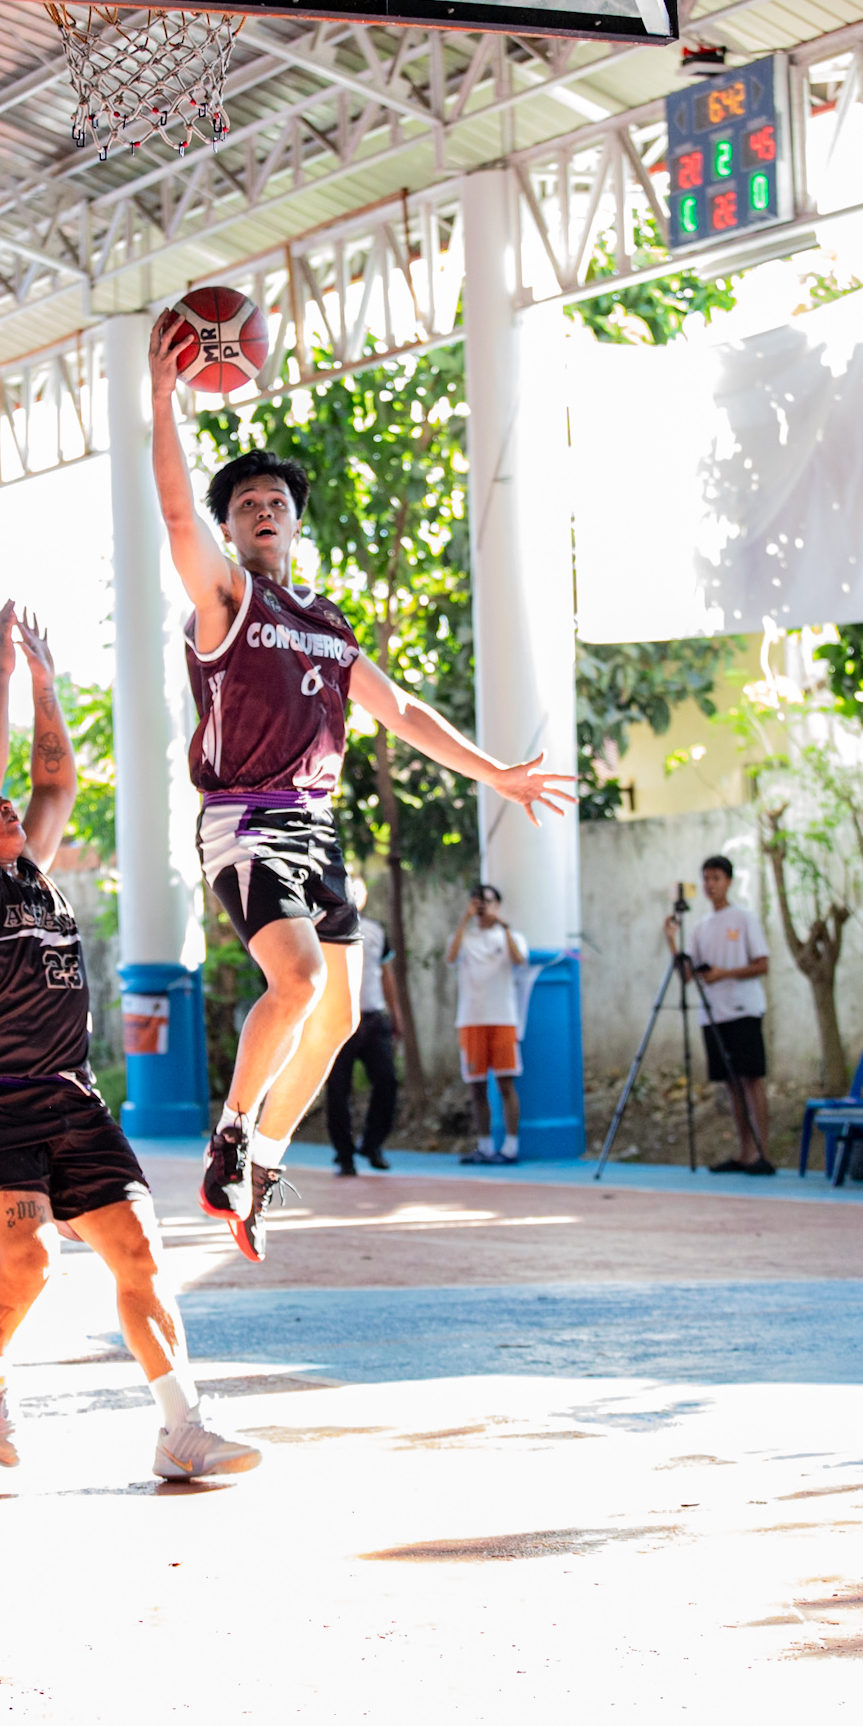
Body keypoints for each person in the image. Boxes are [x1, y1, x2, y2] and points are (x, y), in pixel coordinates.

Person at [147, 312, 574, 1263]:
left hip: (316, 828)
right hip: (246, 821)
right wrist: (160, 395)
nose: (263, 510)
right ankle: (226, 1141)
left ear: (296, 523)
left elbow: (406, 711)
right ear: (228, 530)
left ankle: (260, 1160)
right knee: (296, 981)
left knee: (337, 1017)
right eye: (246, 503)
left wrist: (494, 770)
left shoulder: (327, 623)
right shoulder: (226, 599)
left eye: (277, 503)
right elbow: (175, 514)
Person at [0, 600, 260, 1480]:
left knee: (139, 1250)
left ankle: (182, 1428)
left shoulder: (31, 870)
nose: (13, 812)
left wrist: (44, 685)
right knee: (28, 1267)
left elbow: (56, 779)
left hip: (71, 1093)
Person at [665, 853, 773, 1176]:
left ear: (728, 881)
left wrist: (724, 973)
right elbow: (687, 975)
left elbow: (762, 963)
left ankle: (762, 1153)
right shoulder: (700, 928)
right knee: (731, 1084)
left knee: (751, 1079)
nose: (710, 885)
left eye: (716, 878)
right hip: (714, 1014)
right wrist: (672, 942)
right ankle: (744, 1151)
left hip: (743, 1008)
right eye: (706, 878)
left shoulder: (744, 919)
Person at [446, 884, 527, 1164]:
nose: (484, 907)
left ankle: (511, 1147)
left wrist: (504, 928)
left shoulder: (510, 936)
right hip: (471, 1020)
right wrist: (464, 919)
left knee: (506, 1084)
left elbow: (520, 961)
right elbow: (451, 957)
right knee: (477, 1087)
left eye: (489, 902)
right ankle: (485, 1146)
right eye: (478, 902)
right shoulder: (465, 937)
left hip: (502, 1018)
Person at [324, 876, 399, 1176]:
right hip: (336, 1020)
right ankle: (344, 1155)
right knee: (338, 1090)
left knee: (387, 1081)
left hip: (372, 1017)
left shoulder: (377, 931)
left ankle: (373, 1143)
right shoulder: (324, 929)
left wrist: (397, 1016)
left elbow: (387, 975)